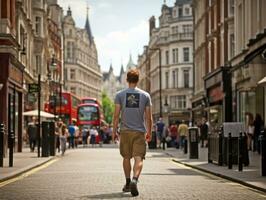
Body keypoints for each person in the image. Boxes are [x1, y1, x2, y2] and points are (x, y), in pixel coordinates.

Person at [112, 69, 152, 197]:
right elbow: (149, 117)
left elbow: (116, 116)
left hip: (125, 131)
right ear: (138, 80)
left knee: (126, 157)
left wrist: (114, 131)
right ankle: (135, 179)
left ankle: (128, 182)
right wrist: (149, 132)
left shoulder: (119, 94)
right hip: (139, 131)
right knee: (139, 158)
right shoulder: (145, 95)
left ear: (127, 79)